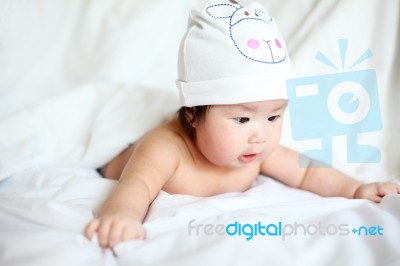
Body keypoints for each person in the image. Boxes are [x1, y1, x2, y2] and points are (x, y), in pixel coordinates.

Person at [84, 0, 400, 249]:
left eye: (274, 116)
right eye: (243, 118)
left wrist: (356, 188)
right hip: (119, 153)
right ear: (192, 113)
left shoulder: (254, 153)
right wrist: (121, 215)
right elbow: (136, 185)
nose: (260, 136)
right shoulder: (167, 149)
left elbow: (306, 171)